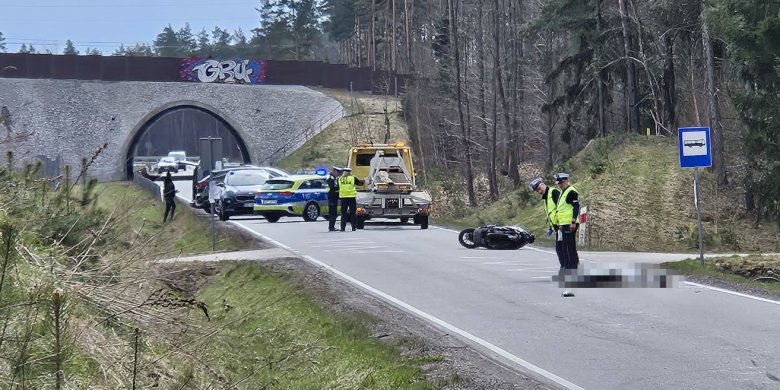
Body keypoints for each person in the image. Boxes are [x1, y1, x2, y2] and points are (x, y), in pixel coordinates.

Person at [529, 177, 563, 268]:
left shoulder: (554, 192)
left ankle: (566, 268)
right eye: (537, 191)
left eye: (539, 189)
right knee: (560, 249)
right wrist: (551, 228)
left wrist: (561, 224)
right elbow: (551, 214)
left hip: (562, 226)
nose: (539, 191)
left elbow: (562, 209)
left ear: (542, 185)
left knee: (562, 249)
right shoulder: (546, 197)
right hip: (557, 227)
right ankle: (565, 268)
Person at [554, 172, 580, 270]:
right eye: (558, 183)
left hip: (570, 223)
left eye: (561, 183)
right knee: (565, 247)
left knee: (569, 248)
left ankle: (572, 268)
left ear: (566, 181)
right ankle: (569, 267)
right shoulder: (563, 191)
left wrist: (573, 221)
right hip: (564, 223)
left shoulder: (571, 191)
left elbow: (576, 207)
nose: (560, 185)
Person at [338, 167, 364, 231]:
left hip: (343, 198)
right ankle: (353, 227)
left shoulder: (340, 178)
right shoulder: (353, 178)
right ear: (350, 172)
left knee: (343, 214)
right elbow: (360, 183)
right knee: (352, 213)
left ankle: (342, 228)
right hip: (351, 197)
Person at [326, 166, 342, 231]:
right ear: (334, 171)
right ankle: (331, 227)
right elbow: (332, 188)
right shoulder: (330, 178)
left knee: (334, 213)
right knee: (332, 213)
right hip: (331, 197)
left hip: (335, 197)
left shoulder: (335, 178)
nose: (338, 174)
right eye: (337, 172)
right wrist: (339, 189)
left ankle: (332, 226)